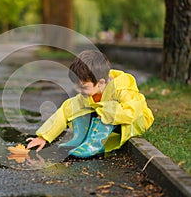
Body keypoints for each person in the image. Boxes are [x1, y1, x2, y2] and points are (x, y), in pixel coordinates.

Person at [26, 50, 154, 158]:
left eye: (83, 87)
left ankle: (93, 144)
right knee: (75, 107)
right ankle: (80, 139)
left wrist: (104, 113)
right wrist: (43, 137)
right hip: (112, 121)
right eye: (76, 86)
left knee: (109, 109)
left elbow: (131, 111)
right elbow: (65, 111)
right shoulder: (87, 94)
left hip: (135, 121)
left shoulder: (122, 88)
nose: (78, 90)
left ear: (101, 82)